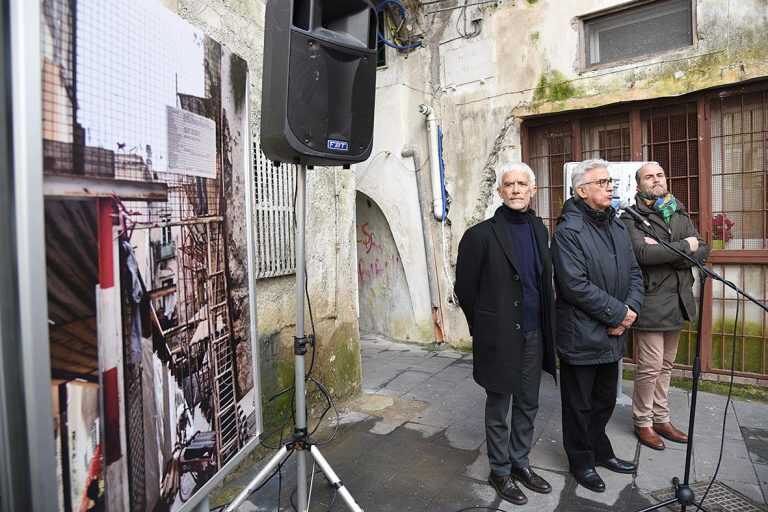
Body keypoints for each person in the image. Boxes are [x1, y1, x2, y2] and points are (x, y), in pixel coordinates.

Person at [455, 162, 557, 506]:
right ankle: (499, 470)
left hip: (534, 334)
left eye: (521, 184)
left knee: (529, 403)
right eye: (509, 185)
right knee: (500, 406)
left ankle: (520, 462)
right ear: (500, 192)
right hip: (498, 336)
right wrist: (484, 328)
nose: (515, 190)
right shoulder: (480, 235)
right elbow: (465, 290)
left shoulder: (540, 230)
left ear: (533, 190)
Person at [551, 159, 644, 493]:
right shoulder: (568, 232)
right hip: (582, 335)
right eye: (602, 182)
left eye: (610, 182)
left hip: (613, 331)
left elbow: (634, 272)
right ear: (581, 191)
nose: (609, 187)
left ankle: (600, 450)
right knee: (578, 405)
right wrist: (618, 314)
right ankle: (580, 461)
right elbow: (574, 286)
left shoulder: (618, 226)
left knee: (605, 400)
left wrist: (631, 309)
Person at [623, 162, 710, 450]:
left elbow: (704, 248)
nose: (656, 179)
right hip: (651, 301)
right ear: (639, 185)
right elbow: (643, 254)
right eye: (649, 176)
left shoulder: (678, 210)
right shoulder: (631, 217)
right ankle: (643, 422)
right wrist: (686, 245)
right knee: (649, 366)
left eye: (660, 174)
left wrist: (673, 248)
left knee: (667, 365)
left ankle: (661, 417)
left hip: (678, 299)